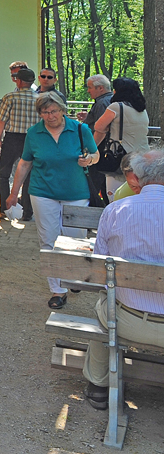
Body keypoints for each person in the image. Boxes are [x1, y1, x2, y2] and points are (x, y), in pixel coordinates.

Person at [81, 149, 164, 409]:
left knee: (105, 301)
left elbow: (99, 273)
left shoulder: (116, 210)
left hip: (127, 322)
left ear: (137, 178)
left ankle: (99, 386)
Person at [6, 92, 96, 310]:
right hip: (42, 191)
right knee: (48, 239)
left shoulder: (80, 129)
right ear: (40, 114)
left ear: (62, 110)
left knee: (76, 239)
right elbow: (25, 163)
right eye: (45, 112)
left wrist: (88, 160)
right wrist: (14, 192)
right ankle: (57, 289)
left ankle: (73, 277)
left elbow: (95, 155)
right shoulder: (34, 133)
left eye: (54, 110)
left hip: (76, 192)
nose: (50, 115)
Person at [91, 77, 150, 206]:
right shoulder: (142, 109)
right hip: (143, 157)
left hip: (121, 157)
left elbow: (98, 127)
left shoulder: (116, 107)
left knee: (114, 195)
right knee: (135, 193)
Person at [0, 66, 41, 221]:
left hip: (12, 138)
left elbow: (2, 120)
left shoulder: (10, 97)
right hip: (33, 139)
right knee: (29, 174)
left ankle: (4, 209)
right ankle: (27, 212)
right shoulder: (40, 99)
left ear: (19, 81)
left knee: (3, 173)